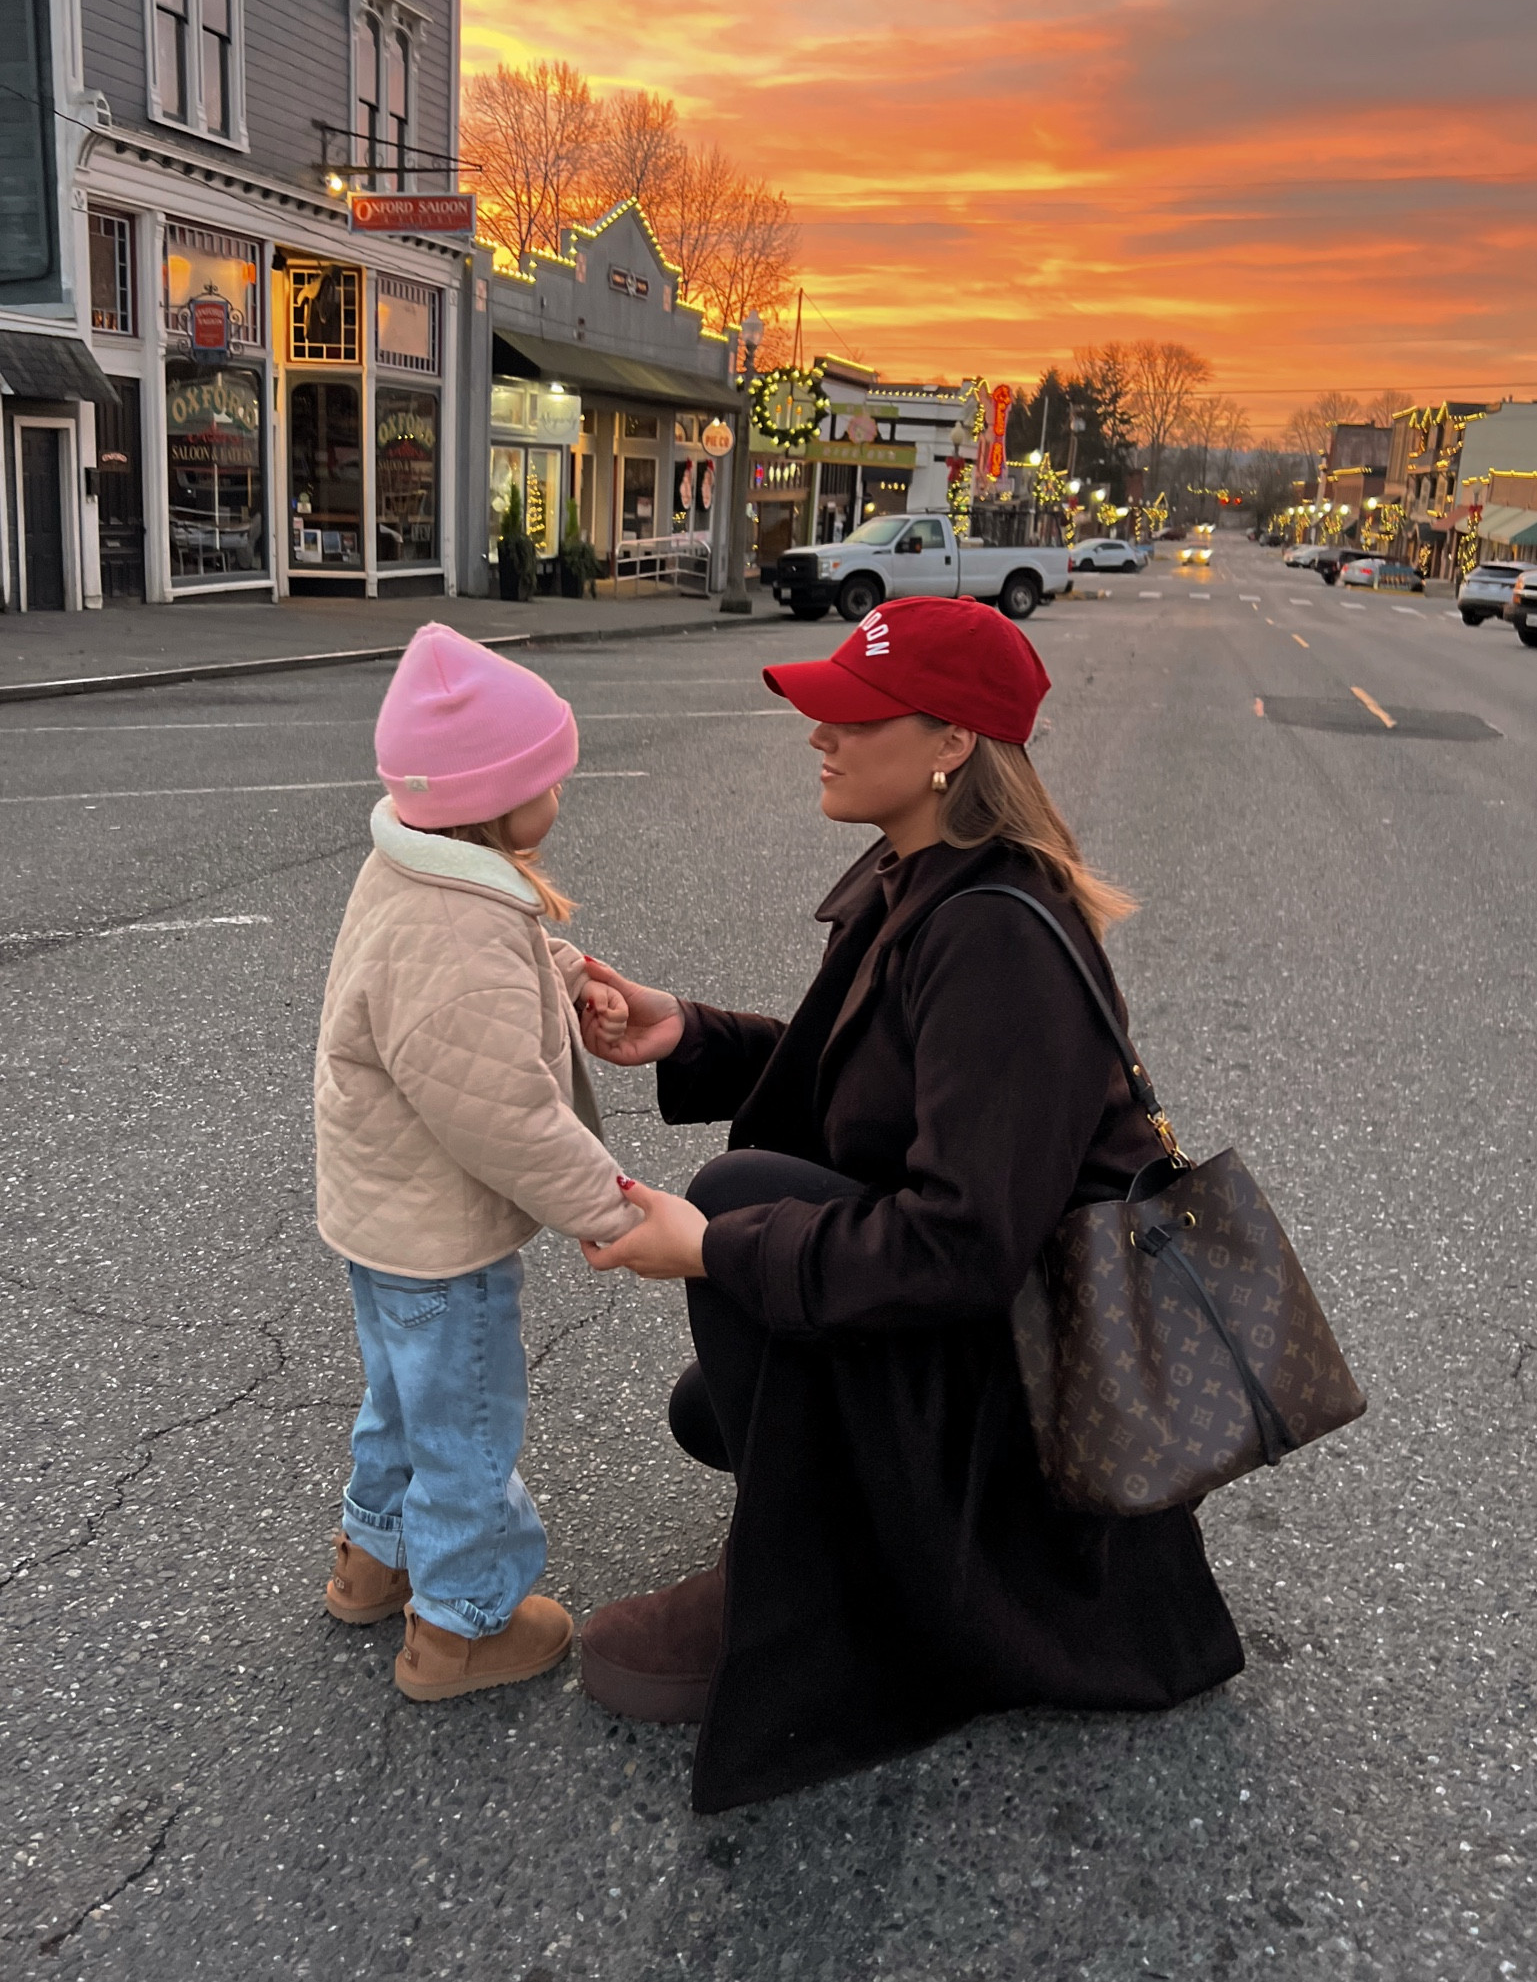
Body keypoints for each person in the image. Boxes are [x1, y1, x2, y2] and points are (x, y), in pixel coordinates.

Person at [575, 597, 1245, 1813]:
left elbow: (963, 1246)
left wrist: (717, 1250)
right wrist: (690, 1033)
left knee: (738, 1198)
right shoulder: (926, 877)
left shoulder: (998, 936)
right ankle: (849, 1508)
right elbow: (879, 1077)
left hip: (1026, 1372)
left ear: (950, 746)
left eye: (849, 713)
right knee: (709, 1412)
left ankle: (807, 1585)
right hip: (976, 1330)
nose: (816, 733)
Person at [314, 624, 639, 1701]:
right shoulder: (459, 922)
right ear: (494, 795)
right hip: (440, 1236)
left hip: (385, 1217)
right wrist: (611, 1205)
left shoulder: (417, 870)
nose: (561, 784)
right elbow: (501, 1112)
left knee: (403, 1404)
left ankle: (375, 1559)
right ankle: (462, 1623)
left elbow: (447, 990)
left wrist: (557, 966)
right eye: (546, 771)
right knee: (466, 1420)